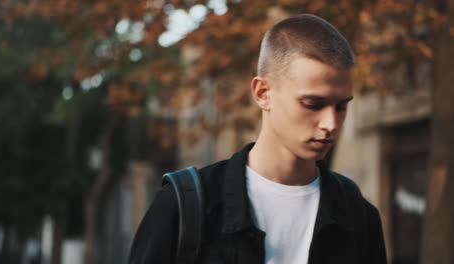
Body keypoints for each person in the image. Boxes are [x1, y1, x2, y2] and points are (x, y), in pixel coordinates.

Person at [128, 14, 387, 264]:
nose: (330, 124)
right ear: (263, 93)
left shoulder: (359, 217)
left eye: (341, 107)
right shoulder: (185, 206)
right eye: (313, 104)